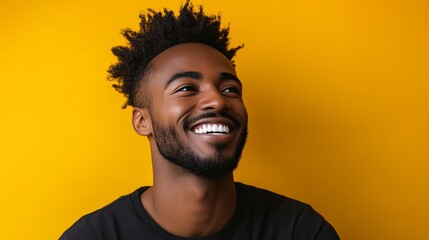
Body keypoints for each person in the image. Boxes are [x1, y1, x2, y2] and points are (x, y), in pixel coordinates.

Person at [60, 1, 340, 239]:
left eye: (230, 90)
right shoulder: (93, 236)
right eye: (186, 88)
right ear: (142, 121)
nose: (218, 101)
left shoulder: (299, 231)